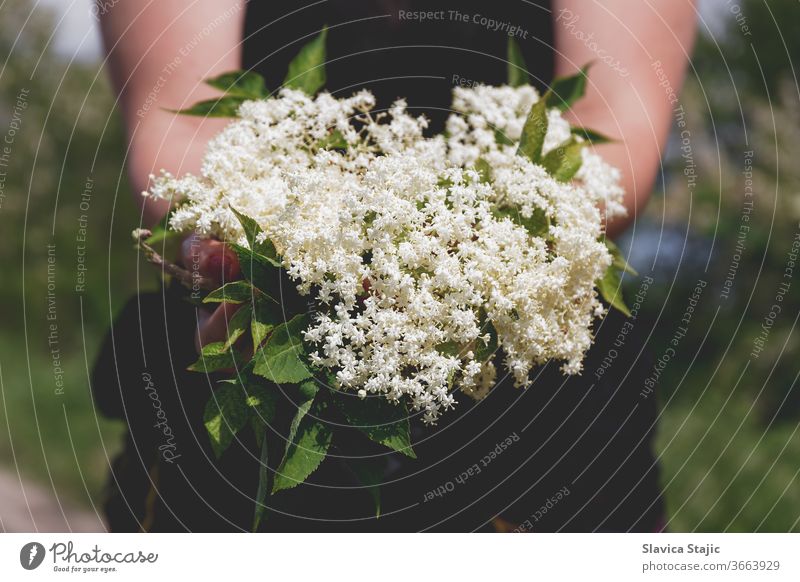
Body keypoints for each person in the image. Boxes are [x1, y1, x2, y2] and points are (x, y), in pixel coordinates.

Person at [94, 0, 696, 532]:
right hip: (262, 314)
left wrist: (472, 247)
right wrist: (247, 243)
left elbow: (615, 118)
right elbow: (184, 120)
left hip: (526, 380)